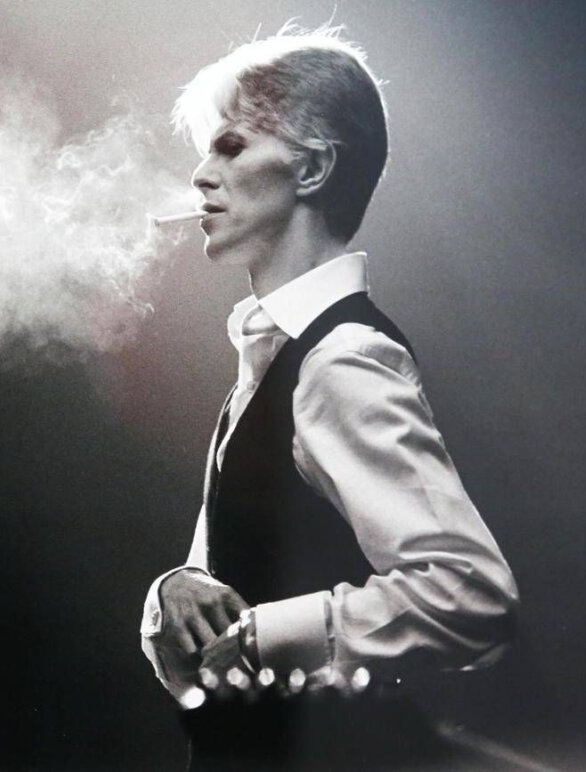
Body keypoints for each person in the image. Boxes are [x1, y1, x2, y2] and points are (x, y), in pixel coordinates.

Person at [140, 24, 519, 770]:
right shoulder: (272, 359)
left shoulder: (341, 358)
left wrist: (262, 636)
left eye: (231, 147)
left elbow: (469, 592)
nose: (200, 177)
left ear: (311, 169)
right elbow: (224, 601)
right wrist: (174, 591)